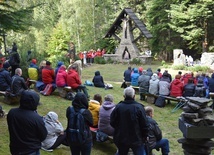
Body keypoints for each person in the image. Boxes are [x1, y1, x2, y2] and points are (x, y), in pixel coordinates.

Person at [7, 90, 48, 155]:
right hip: (30, 150)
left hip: (15, 148)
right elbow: (43, 136)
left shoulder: (12, 113)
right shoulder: (37, 119)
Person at [110, 87, 149, 155]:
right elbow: (145, 125)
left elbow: (112, 121)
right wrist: (145, 136)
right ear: (134, 96)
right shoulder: (139, 107)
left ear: (124, 96)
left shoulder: (118, 107)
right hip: (136, 138)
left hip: (122, 137)